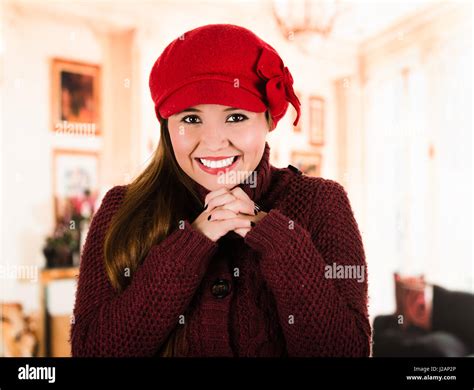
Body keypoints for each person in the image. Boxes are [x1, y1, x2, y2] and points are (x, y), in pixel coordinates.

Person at [70, 24, 370, 357]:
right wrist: (191, 243)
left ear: (269, 120)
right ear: (167, 126)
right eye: (191, 119)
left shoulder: (321, 202)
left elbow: (347, 352)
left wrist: (276, 238)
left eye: (236, 117)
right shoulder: (120, 208)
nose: (213, 142)